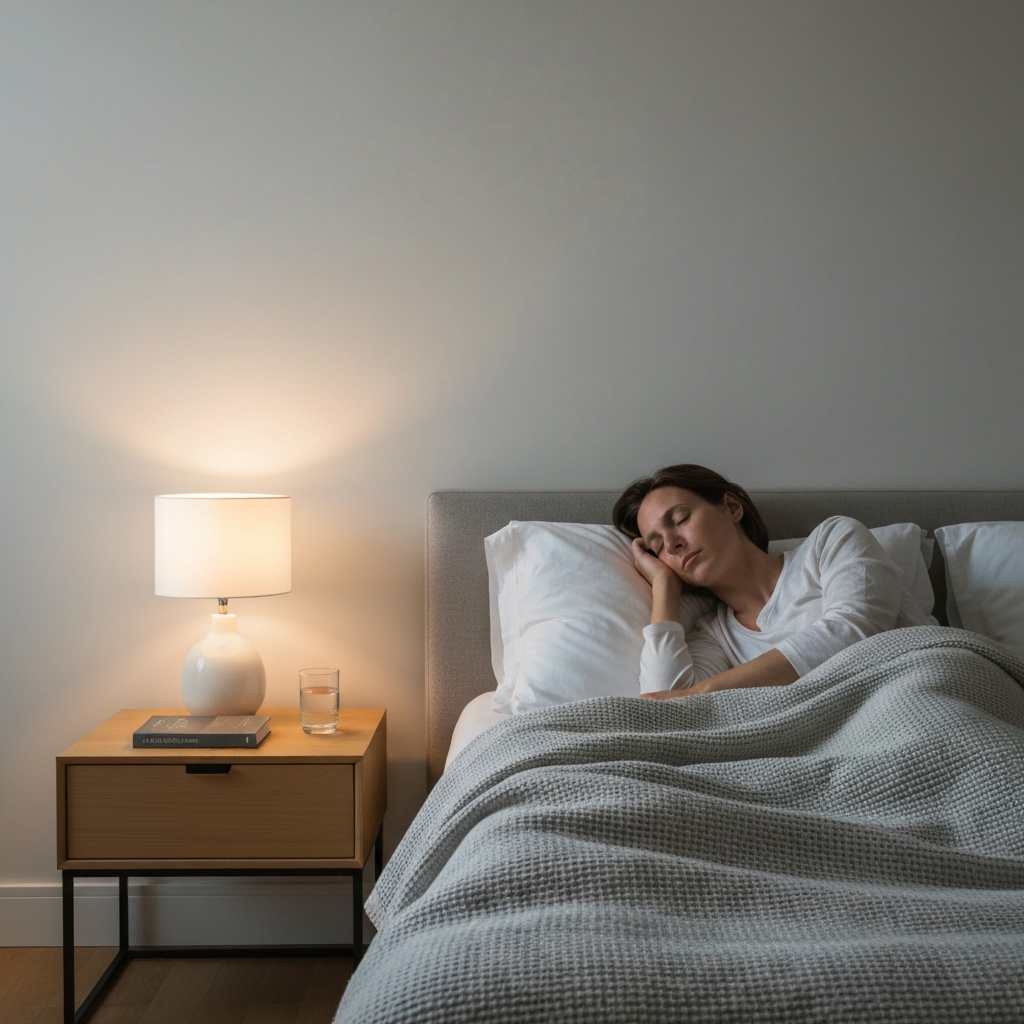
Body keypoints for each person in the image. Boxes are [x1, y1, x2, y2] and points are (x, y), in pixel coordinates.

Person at [612, 465, 934, 699]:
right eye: (657, 547)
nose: (671, 545)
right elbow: (665, 706)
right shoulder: (715, 636)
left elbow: (858, 629)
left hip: (922, 694)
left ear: (732, 507)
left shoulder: (831, 541)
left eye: (681, 520)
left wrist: (707, 689)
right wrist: (665, 587)